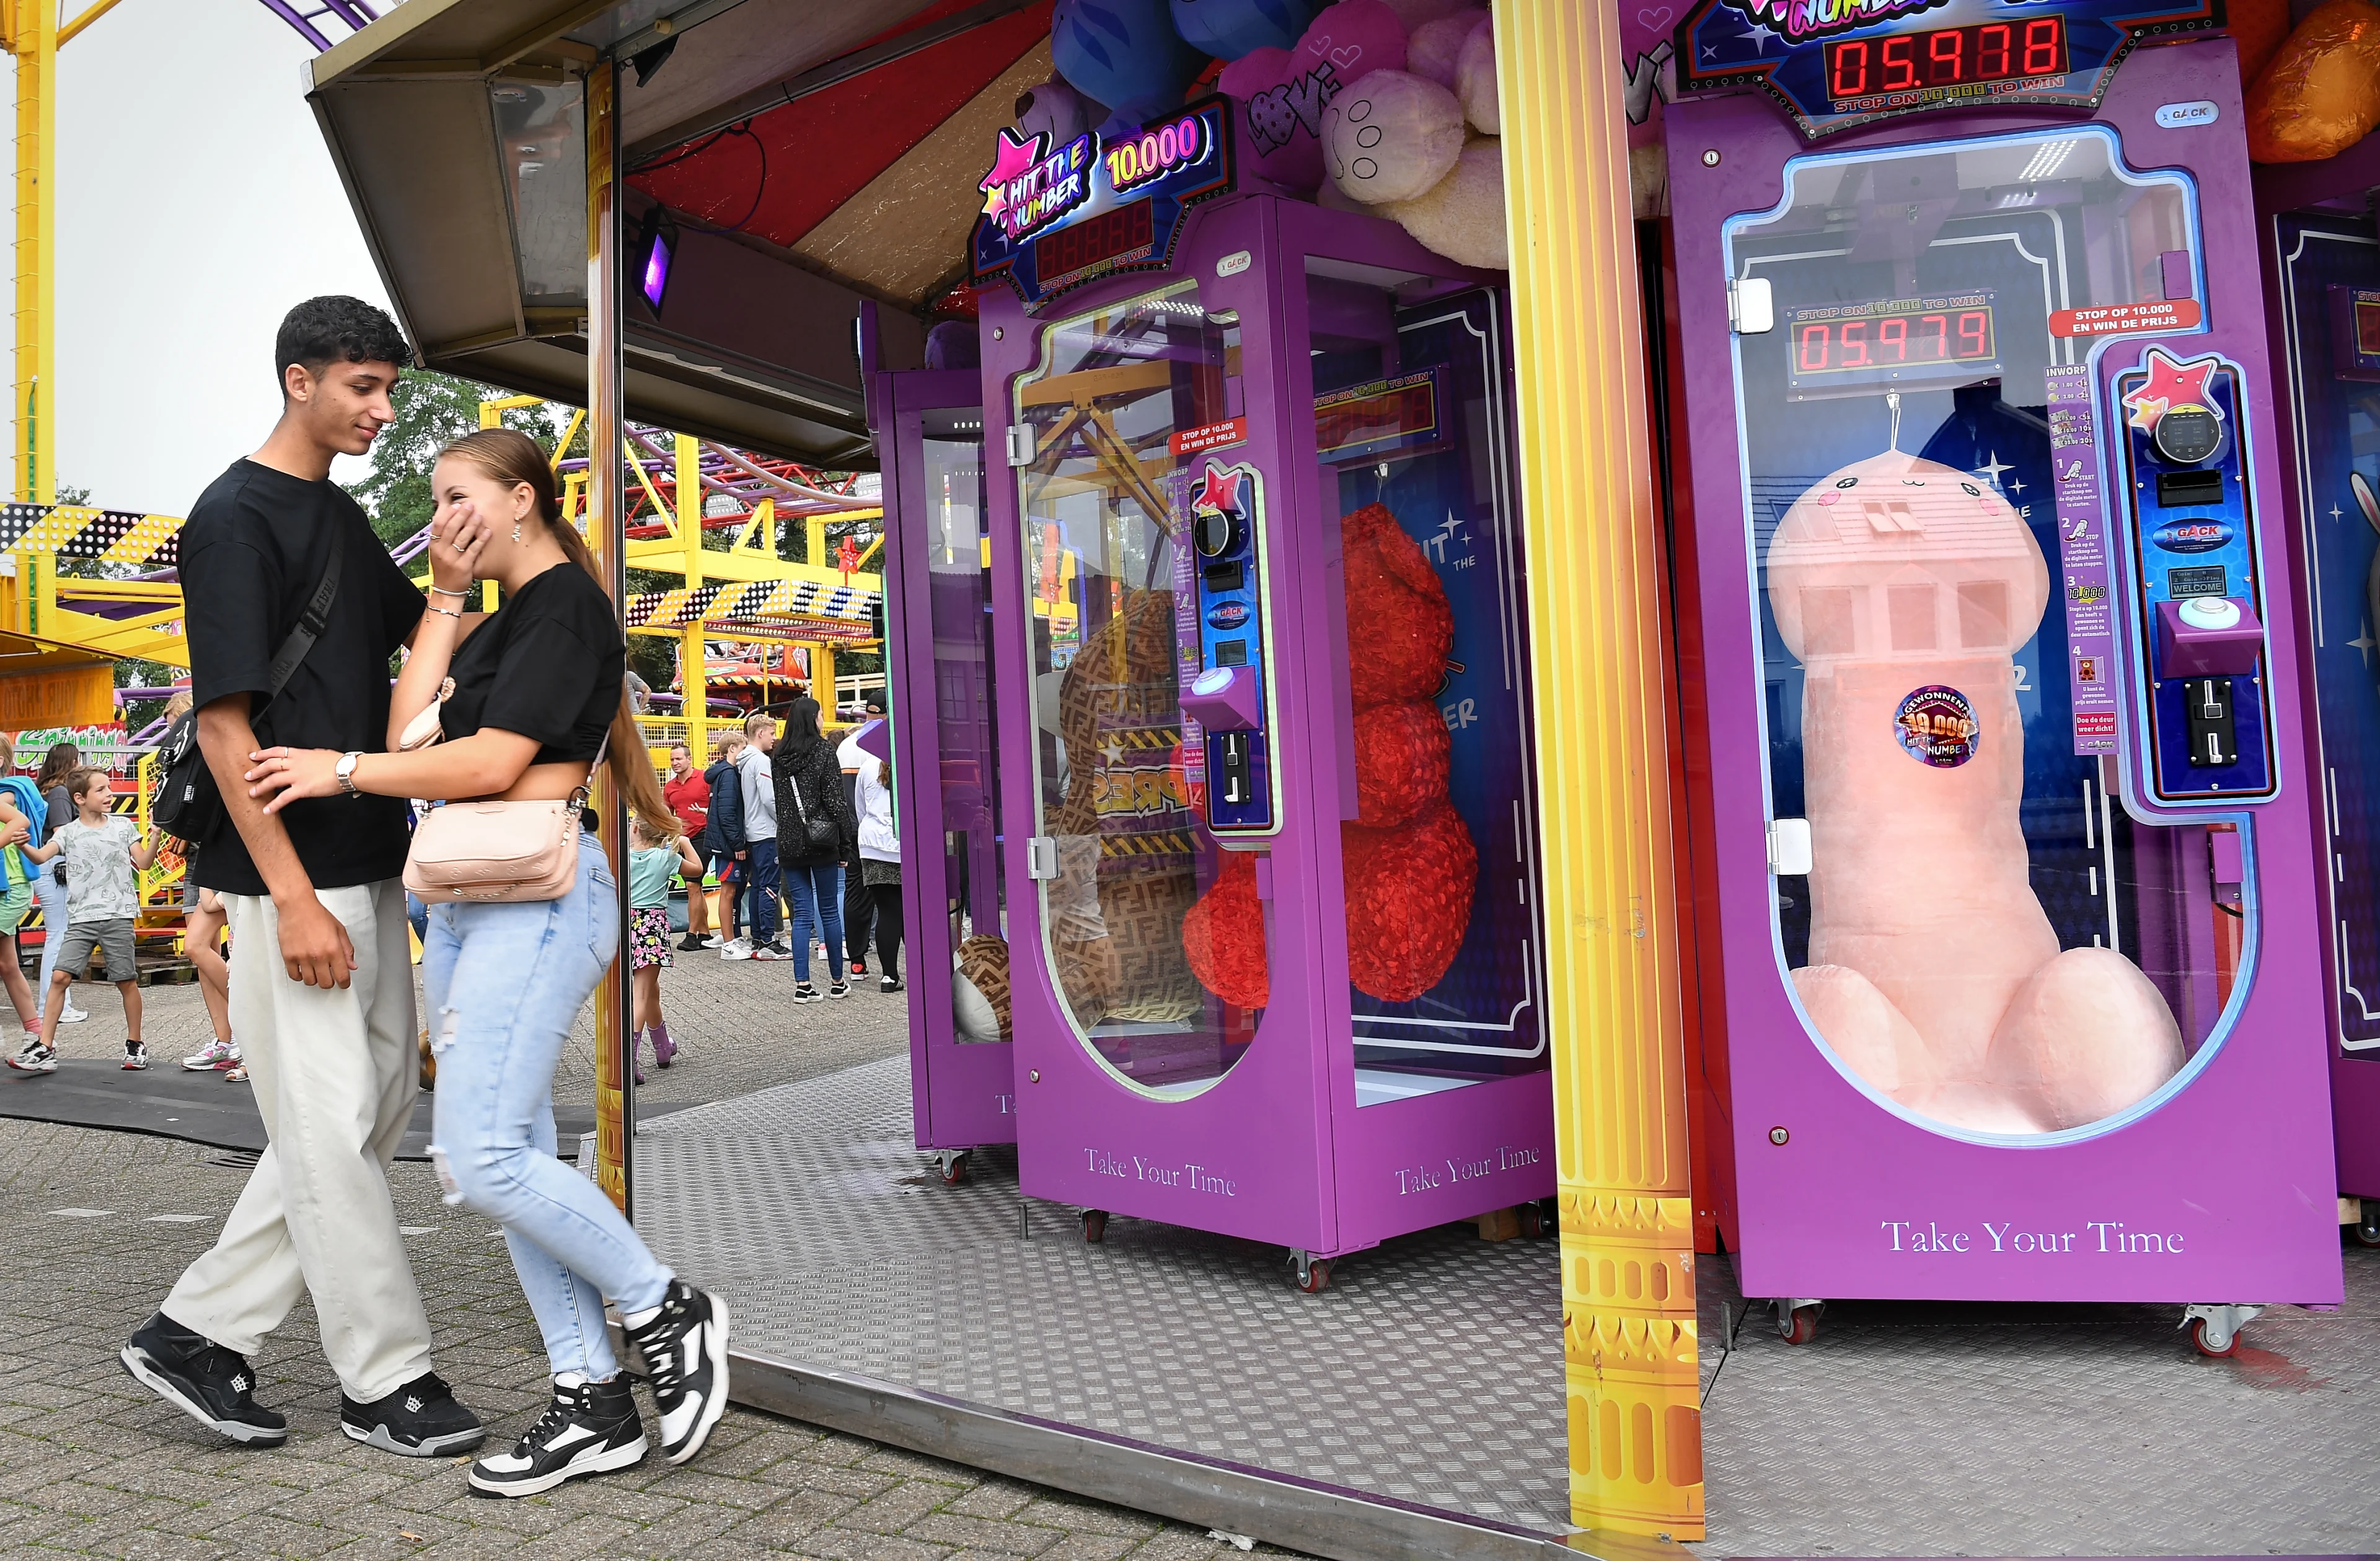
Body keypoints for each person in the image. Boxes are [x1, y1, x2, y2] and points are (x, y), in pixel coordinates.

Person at [243, 426, 731, 1497]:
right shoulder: (504, 618)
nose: (442, 520)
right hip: (471, 900)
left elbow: (492, 760)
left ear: (521, 500)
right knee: (491, 1158)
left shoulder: (566, 609)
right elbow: (407, 725)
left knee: (485, 1151)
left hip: (540, 900)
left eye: (458, 497)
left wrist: (341, 770)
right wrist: (446, 597)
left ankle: (662, 1304)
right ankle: (590, 1397)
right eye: (434, 501)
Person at [120, 297, 485, 1461]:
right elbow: (226, 728)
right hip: (293, 876)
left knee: (368, 1114)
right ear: (299, 381)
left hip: (363, 853)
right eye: (364, 388)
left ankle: (199, 1330)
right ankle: (386, 1378)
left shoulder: (334, 512)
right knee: (332, 1126)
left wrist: (485, 584)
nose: (383, 410)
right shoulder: (232, 519)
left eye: (386, 388)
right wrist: (282, 899)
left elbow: (408, 652)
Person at [11, 766, 157, 1071]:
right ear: (79, 798)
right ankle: (45, 1047)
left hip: (117, 916)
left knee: (126, 980)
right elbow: (40, 858)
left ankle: (135, 1043)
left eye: (109, 788)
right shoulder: (67, 833)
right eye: (101, 789)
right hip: (80, 919)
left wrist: (155, 834)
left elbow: (143, 863)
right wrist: (22, 842)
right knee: (59, 977)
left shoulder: (122, 827)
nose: (110, 794)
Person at [158, 692, 240, 1080]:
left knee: (206, 945)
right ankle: (226, 1039)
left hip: (218, 854)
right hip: (200, 855)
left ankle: (247, 1026)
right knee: (201, 949)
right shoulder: (194, 745)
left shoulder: (208, 737)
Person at [772, 696, 858, 1003]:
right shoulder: (824, 751)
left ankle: (803, 985)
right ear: (813, 719)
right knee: (829, 912)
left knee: (802, 914)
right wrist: (845, 845)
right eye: (821, 714)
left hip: (790, 842)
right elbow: (835, 801)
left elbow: (781, 802)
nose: (824, 719)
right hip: (821, 841)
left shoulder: (778, 755)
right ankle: (837, 982)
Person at [629, 812, 702, 1079]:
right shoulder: (666, 858)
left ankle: (663, 1046)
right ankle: (632, 1058)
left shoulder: (620, 858)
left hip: (624, 927)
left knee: (649, 992)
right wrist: (683, 842)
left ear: (635, 828)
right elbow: (697, 870)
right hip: (651, 928)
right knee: (643, 992)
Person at [29, 742, 86, 1027]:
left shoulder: (46, 791)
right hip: (55, 869)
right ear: (71, 762)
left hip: (45, 868)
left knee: (57, 934)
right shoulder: (61, 793)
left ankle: (54, 1004)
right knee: (60, 935)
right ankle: (54, 1006)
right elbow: (63, 833)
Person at [852, 744, 904, 993]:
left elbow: (860, 809)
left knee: (887, 913)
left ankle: (889, 976)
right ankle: (921, 970)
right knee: (911, 915)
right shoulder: (909, 761)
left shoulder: (867, 767)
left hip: (872, 847)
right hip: (903, 847)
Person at [734, 709, 784, 959]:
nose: (774, 738)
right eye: (772, 733)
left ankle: (758, 935)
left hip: (754, 830)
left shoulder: (744, 761)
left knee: (757, 886)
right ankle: (767, 938)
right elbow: (769, 798)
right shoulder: (762, 762)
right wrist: (784, 820)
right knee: (769, 886)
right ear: (761, 733)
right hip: (766, 831)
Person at [661, 743, 710, 952]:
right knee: (695, 888)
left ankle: (691, 935)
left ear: (689, 759)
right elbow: (666, 813)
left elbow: (718, 804)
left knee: (692, 885)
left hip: (703, 835)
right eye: (672, 760)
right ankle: (706, 934)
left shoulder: (705, 778)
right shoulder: (669, 787)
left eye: (679, 759)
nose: (675, 763)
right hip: (682, 839)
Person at [704, 732, 747, 955]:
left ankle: (732, 938)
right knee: (728, 892)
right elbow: (728, 813)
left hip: (722, 842)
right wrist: (738, 844)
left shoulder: (720, 773)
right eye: (742, 748)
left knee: (730, 892)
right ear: (732, 748)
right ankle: (729, 944)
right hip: (728, 845)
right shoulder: (729, 774)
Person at [837, 719, 873, 976]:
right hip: (884, 835)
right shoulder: (887, 745)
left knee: (855, 895)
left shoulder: (846, 747)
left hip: (853, 831)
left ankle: (857, 960)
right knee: (894, 901)